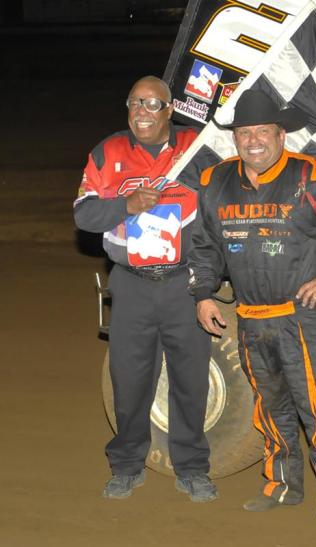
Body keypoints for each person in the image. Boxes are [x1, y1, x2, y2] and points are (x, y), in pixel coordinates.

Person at [188, 89, 316, 534]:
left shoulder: (312, 175)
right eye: (244, 133)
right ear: (235, 138)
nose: (253, 140)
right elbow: (203, 245)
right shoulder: (214, 182)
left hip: (300, 317)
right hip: (250, 319)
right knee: (269, 410)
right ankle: (282, 485)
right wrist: (202, 295)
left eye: (262, 131)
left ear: (280, 134)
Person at [74, 75, 218, 503]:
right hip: (132, 286)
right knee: (130, 380)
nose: (142, 111)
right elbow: (83, 214)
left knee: (190, 381)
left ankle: (192, 468)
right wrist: (126, 205)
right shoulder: (109, 151)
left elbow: (230, 193)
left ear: (169, 110)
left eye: (153, 104)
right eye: (135, 102)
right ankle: (126, 466)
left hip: (184, 285)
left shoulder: (197, 147)